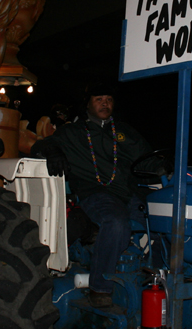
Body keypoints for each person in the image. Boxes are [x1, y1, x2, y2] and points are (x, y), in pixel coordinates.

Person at [31, 84, 162, 308]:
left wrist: (164, 167)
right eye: (99, 99)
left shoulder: (125, 132)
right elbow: (41, 145)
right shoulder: (73, 132)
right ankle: (99, 288)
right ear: (88, 104)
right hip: (95, 193)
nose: (105, 103)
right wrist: (51, 150)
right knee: (115, 223)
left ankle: (156, 279)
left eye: (108, 99)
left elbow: (147, 160)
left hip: (130, 193)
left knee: (166, 221)